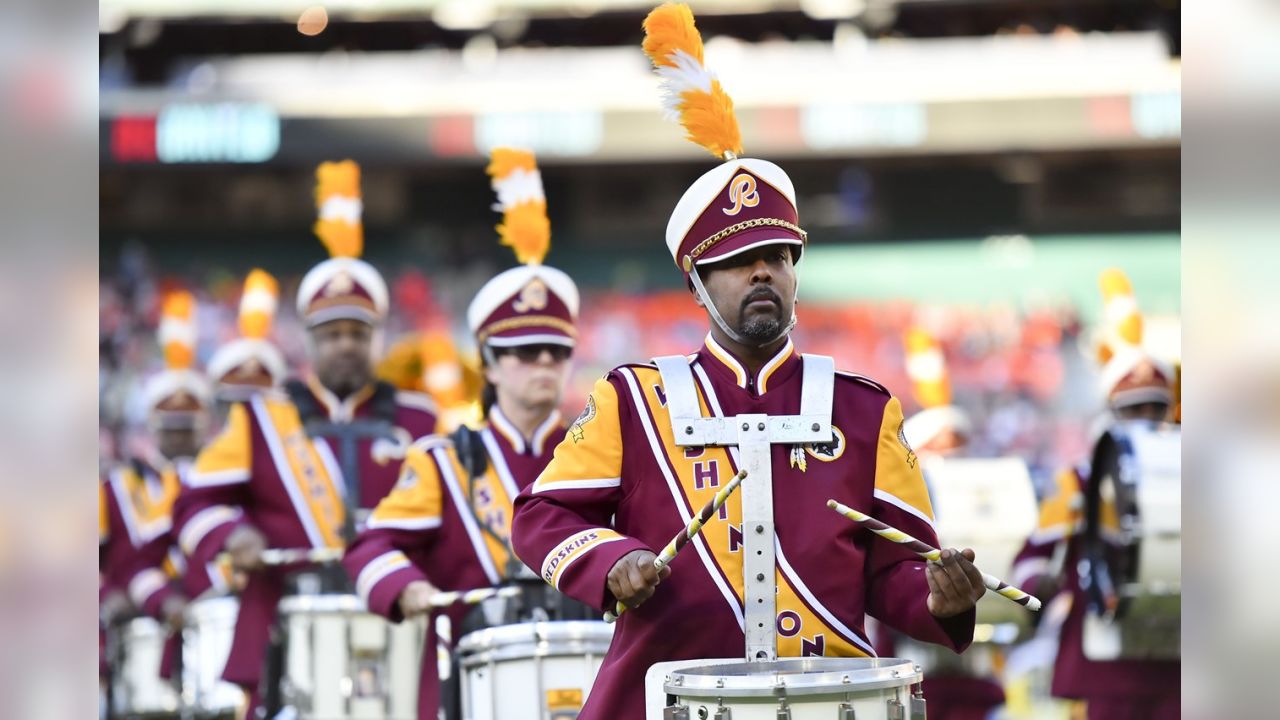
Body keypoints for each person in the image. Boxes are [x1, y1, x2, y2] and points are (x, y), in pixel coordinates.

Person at [510, 6, 984, 718]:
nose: (762, 274)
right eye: (737, 263)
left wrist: (937, 593)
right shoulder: (635, 401)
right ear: (696, 284)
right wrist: (613, 564)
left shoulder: (862, 407)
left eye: (776, 258)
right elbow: (541, 515)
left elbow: (895, 570)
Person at [171, 161, 438, 713]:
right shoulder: (262, 418)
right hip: (286, 619)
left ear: (376, 338)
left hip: (396, 614)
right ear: (310, 340)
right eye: (332, 333)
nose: (345, 345)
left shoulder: (419, 419)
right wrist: (233, 537)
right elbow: (193, 504)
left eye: (357, 333)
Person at [343, 147, 582, 719]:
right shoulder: (443, 461)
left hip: (583, 675)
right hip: (471, 683)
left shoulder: (596, 454)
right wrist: (407, 587)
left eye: (556, 351)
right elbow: (370, 547)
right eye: (525, 353)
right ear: (490, 365)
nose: (544, 363)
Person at [1009, 269, 1179, 719]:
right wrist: (1036, 586)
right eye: (1133, 408)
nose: (1146, 417)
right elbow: (1033, 555)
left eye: (1155, 407)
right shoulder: (1079, 481)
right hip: (1108, 655)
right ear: (1110, 410)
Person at [100, 290, 210, 689]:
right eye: (171, 426)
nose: (179, 437)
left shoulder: (220, 482)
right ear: (152, 424)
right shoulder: (118, 487)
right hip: (140, 633)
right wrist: (111, 596)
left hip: (213, 625)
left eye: (188, 426)